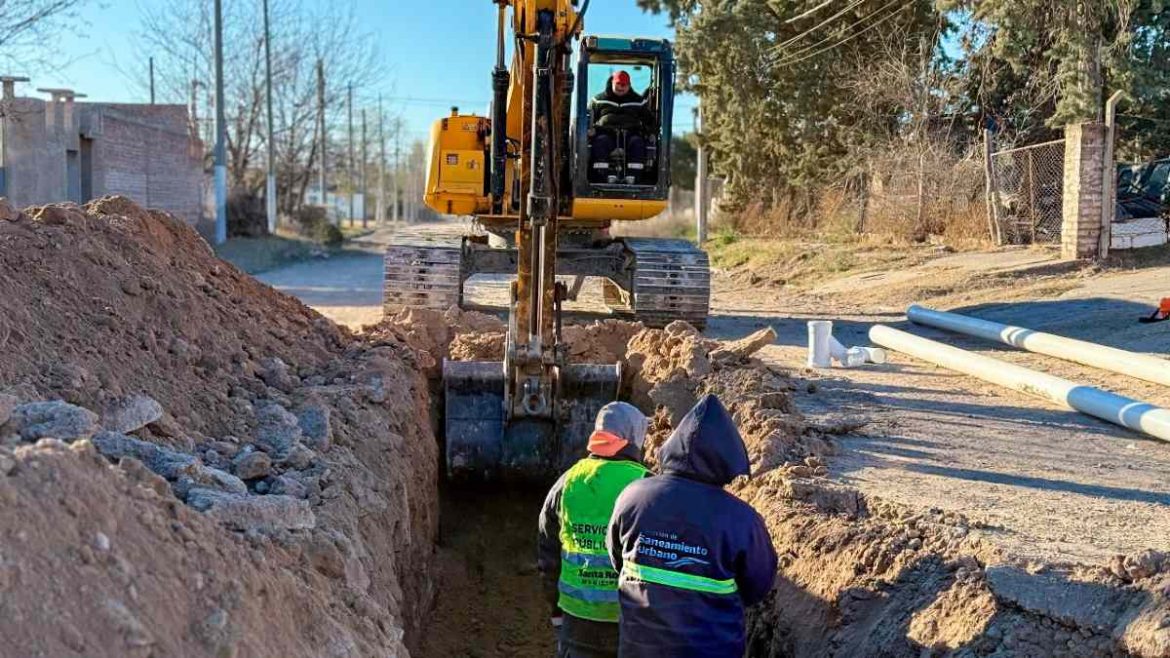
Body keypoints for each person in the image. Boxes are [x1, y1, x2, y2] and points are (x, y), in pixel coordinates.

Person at [606, 395, 778, 658]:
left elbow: (617, 558)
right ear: (726, 457)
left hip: (638, 648)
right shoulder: (741, 519)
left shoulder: (632, 497)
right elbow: (757, 587)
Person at [538, 402, 652, 658]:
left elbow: (548, 556)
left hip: (576, 620)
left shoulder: (567, 482)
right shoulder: (647, 486)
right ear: (634, 438)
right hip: (630, 622)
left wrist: (556, 612)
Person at [590, 70, 654, 182]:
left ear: (629, 85)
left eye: (624, 85)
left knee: (637, 143)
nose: (621, 87)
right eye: (618, 84)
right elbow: (587, 116)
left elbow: (650, 120)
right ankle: (603, 176)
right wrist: (590, 130)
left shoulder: (639, 102)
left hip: (630, 134)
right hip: (607, 134)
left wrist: (650, 132)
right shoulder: (598, 100)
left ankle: (633, 177)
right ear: (612, 83)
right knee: (600, 141)